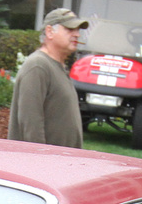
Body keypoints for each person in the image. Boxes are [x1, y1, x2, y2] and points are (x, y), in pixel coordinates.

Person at [8, 8, 89, 148]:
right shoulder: (38, 66)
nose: (76, 34)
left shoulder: (57, 66)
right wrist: (42, 160)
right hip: (42, 165)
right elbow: (30, 123)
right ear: (50, 32)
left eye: (78, 30)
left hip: (62, 164)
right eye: (70, 29)